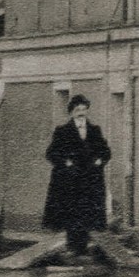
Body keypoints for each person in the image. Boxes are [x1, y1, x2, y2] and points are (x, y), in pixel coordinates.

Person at [43, 95, 111, 258]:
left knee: (88, 212)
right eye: (77, 110)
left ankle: (84, 246)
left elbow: (106, 151)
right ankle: (73, 246)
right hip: (71, 180)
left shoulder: (95, 130)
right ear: (72, 113)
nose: (81, 113)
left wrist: (99, 161)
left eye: (83, 109)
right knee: (72, 214)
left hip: (90, 179)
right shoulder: (62, 131)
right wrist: (65, 163)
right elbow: (51, 153)